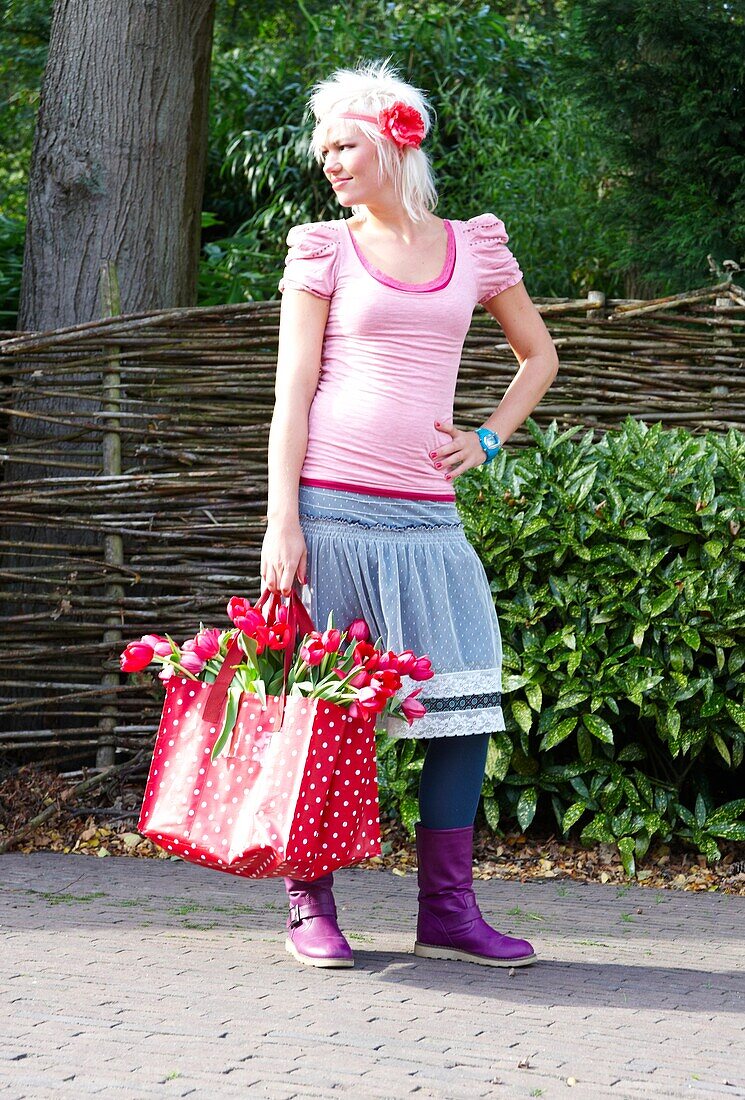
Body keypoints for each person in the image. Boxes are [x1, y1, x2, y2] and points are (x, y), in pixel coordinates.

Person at [261, 58, 559, 970]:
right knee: (324, 713)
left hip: (428, 516)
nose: (330, 163)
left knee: (461, 710)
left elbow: (537, 356)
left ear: (395, 137)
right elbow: (294, 389)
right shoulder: (322, 247)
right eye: (322, 150)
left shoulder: (474, 246)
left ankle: (448, 914)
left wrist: (489, 439)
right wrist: (283, 520)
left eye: (344, 143)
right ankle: (309, 905)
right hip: (332, 507)